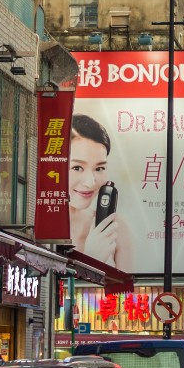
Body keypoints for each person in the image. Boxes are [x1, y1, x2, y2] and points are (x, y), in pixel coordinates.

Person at [67, 114, 133, 268]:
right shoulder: (41, 226)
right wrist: (91, 258)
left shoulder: (116, 229)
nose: (90, 182)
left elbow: (129, 286)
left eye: (99, 168)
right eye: (77, 168)